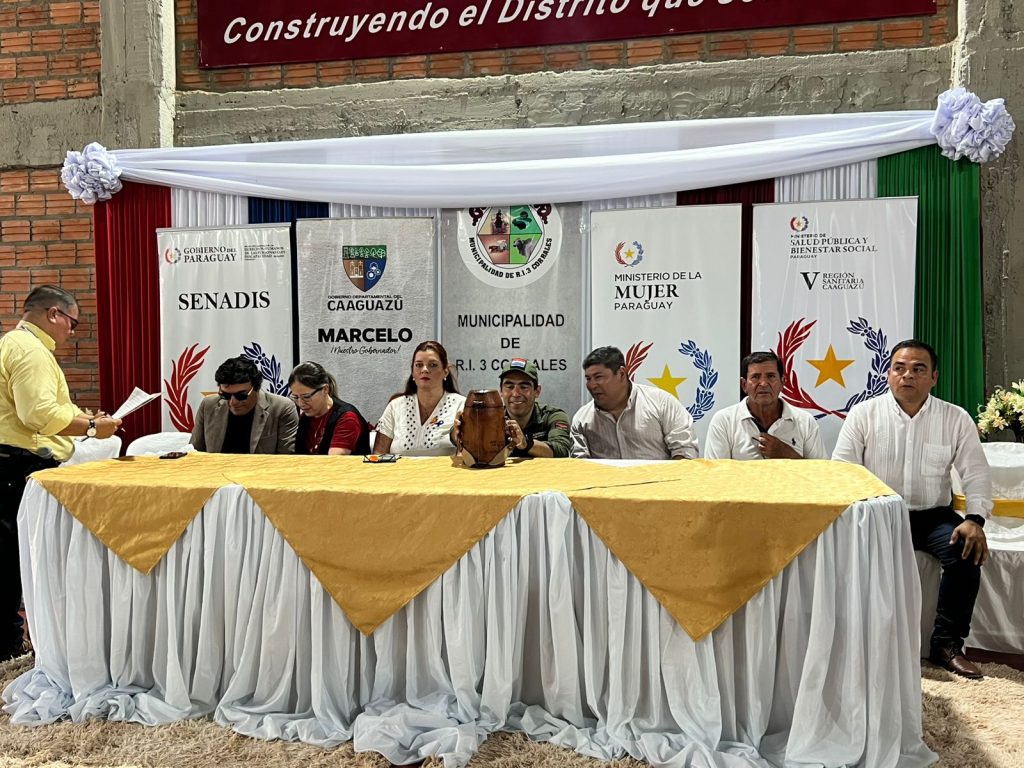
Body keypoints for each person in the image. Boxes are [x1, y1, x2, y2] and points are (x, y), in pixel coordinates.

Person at [833, 339, 992, 680]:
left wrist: (975, 519)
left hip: (933, 516)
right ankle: (859, 644)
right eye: (900, 368)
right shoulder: (863, 414)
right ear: (888, 374)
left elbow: (976, 473)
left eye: (919, 369)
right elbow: (843, 471)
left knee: (965, 553)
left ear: (934, 377)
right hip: (877, 513)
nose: (908, 375)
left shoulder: (955, 418)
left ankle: (946, 644)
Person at [0, 285, 121, 662]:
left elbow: (42, 408)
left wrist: (83, 418)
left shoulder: (13, 344)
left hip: (10, 461)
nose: (72, 331)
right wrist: (91, 428)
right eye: (72, 323)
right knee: (14, 556)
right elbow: (37, 415)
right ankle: (8, 645)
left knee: (8, 553)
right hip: (18, 463)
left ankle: (8, 640)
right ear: (53, 314)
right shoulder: (31, 351)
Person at [570, 346, 698, 460]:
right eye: (588, 379)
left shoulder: (662, 403)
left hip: (661, 479)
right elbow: (579, 466)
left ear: (621, 374)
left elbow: (685, 453)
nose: (592, 385)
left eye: (598, 377)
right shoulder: (582, 419)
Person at [705, 350, 826, 460]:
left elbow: (821, 472)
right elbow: (714, 473)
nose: (763, 383)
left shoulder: (805, 421)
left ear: (782, 383)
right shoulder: (724, 421)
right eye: (755, 377)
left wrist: (789, 455)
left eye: (771, 376)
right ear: (744, 385)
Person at [452, 358, 572, 458]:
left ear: (537, 391)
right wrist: (460, 432)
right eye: (509, 387)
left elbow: (562, 450)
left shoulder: (553, 416)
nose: (515, 394)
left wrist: (526, 443)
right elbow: (455, 436)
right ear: (501, 391)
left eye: (524, 387)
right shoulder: (489, 417)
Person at [190, 356, 298, 454]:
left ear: (256, 388)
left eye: (241, 396)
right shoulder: (208, 405)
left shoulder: (282, 408)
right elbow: (194, 452)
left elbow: (286, 459)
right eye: (225, 395)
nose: (233, 402)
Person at [374, 341, 465, 456]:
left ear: (445, 372)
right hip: (400, 468)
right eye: (419, 365)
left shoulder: (461, 405)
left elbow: (468, 455)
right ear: (412, 372)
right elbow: (378, 454)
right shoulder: (395, 406)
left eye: (433, 365)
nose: (425, 369)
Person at [288, 361, 370, 455]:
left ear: (325, 389)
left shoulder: (347, 418)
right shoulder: (306, 417)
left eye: (306, 397)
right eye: (295, 397)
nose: (301, 403)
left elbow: (334, 460)